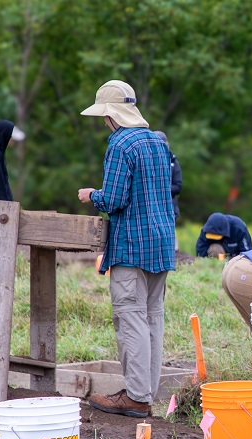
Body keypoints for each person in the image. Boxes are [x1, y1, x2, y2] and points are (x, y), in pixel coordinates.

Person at [77, 80, 177, 418]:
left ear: (109, 114)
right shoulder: (157, 142)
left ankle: (135, 397)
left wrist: (93, 195)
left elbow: (116, 199)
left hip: (132, 245)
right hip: (161, 243)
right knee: (152, 319)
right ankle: (144, 393)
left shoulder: (120, 144)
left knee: (130, 318)